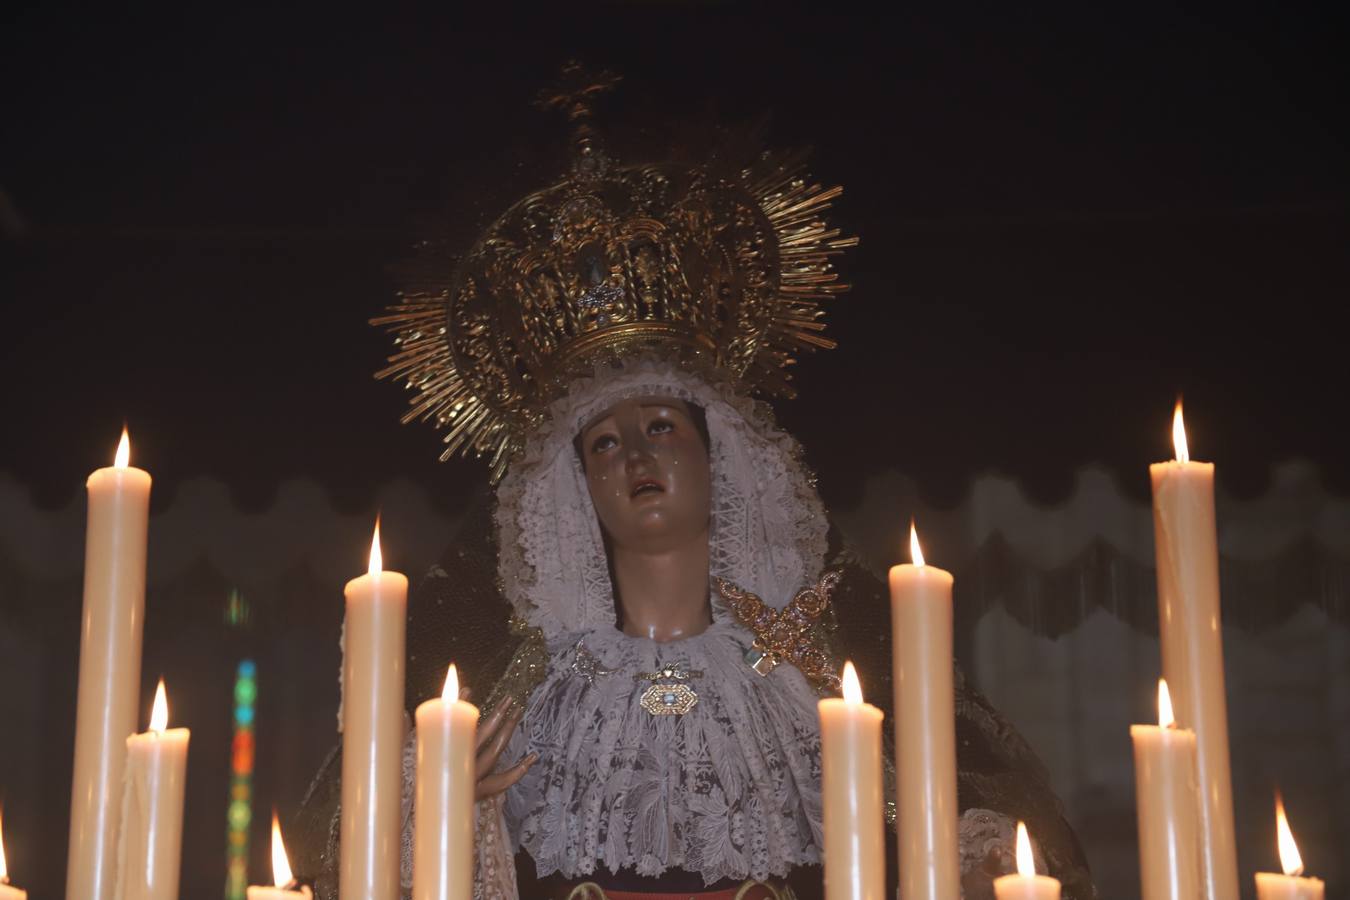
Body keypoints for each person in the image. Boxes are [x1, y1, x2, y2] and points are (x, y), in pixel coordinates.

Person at [294, 66, 1096, 899]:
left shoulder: (820, 674)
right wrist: (448, 808)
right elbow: (381, 860)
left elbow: (954, 836)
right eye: (601, 445)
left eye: (660, 429)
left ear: (723, 457)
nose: (633, 458)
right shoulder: (518, 693)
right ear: (573, 494)